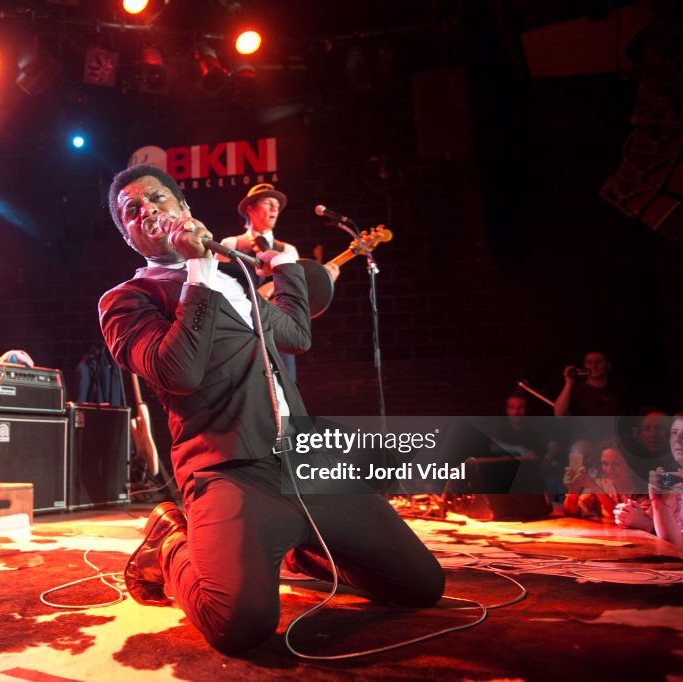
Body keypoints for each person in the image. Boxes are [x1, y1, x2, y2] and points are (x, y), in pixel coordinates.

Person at [98, 164, 444, 654]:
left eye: (158, 199)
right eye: (133, 211)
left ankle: (298, 549)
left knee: (420, 586)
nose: (148, 210)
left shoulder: (234, 277)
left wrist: (285, 266)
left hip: (308, 463)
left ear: (185, 209)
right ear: (131, 237)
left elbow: (296, 335)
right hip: (231, 471)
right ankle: (171, 541)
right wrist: (197, 268)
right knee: (240, 625)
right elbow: (179, 372)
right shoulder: (126, 300)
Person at [220, 183, 340, 380]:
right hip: (241, 332)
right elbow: (220, 288)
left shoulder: (288, 251)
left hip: (277, 334)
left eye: (277, 205)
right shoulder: (231, 244)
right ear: (250, 208)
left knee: (284, 391)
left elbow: (298, 297)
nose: (275, 208)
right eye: (268, 203)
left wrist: (325, 282)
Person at [620, 412, 683, 548]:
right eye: (674, 433)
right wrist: (658, 504)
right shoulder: (678, 481)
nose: (678, 439)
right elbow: (678, 543)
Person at [562, 439, 646, 522]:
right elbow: (574, 512)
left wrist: (596, 489)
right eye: (605, 464)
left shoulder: (644, 491)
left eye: (616, 464)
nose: (609, 469)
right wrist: (573, 490)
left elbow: (633, 520)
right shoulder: (600, 483)